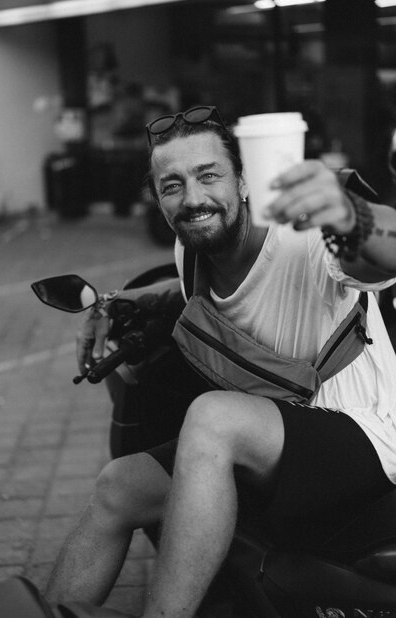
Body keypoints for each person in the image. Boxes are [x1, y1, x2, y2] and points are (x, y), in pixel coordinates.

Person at [45, 106, 396, 617]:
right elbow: (186, 292)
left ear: (245, 182)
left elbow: (386, 246)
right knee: (118, 485)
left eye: (209, 176)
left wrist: (351, 216)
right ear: (158, 200)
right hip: (276, 435)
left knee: (213, 418)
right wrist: (119, 301)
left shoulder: (305, 238)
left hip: (368, 434)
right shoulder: (192, 245)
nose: (193, 198)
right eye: (172, 185)